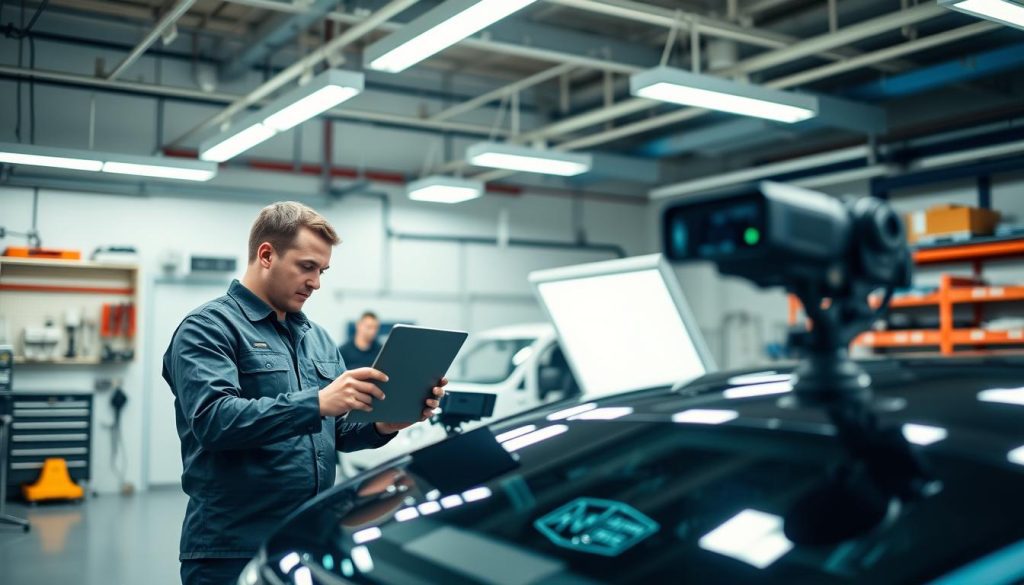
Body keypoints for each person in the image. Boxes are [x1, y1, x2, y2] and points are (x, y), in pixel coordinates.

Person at [162, 202, 445, 585]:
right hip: (231, 550)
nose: (316, 282)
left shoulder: (319, 340)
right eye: (307, 266)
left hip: (306, 541)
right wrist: (317, 402)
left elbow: (339, 431)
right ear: (266, 255)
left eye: (322, 270)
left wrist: (383, 424)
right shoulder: (207, 329)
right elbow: (214, 421)